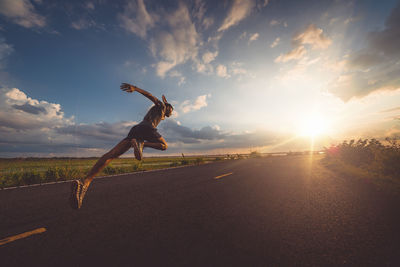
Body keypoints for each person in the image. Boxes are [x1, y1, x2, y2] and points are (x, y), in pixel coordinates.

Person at [70, 83, 174, 209]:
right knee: (164, 146)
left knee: (111, 155)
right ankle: (142, 144)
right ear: (167, 108)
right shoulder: (161, 106)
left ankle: (85, 183)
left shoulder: (161, 111)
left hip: (136, 130)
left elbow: (162, 112)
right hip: (147, 128)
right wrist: (135, 88)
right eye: (171, 111)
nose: (171, 114)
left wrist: (166, 103)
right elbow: (150, 95)